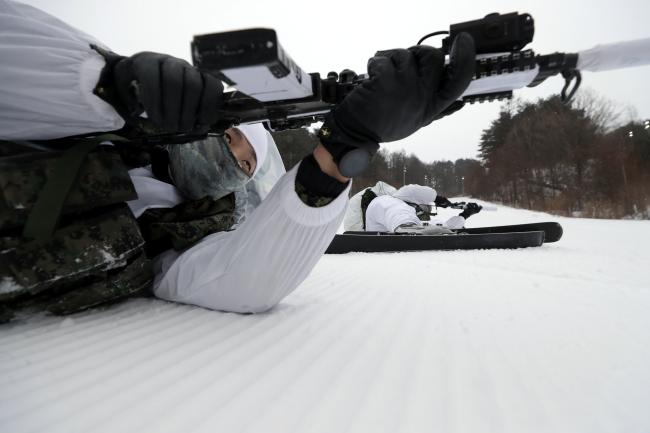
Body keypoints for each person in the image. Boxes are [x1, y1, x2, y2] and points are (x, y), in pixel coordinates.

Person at [0, 0, 476, 320]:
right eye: (228, 137)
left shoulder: (181, 241)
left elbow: (249, 281)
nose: (230, 156)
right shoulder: (105, 118)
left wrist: (342, 151)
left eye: (243, 164)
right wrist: (105, 85)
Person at [345, 183, 483, 234]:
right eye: (422, 208)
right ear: (412, 202)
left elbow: (441, 226)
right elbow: (404, 224)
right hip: (382, 260)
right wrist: (436, 198)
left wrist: (464, 215)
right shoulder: (387, 202)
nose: (424, 213)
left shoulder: (405, 213)